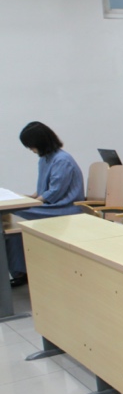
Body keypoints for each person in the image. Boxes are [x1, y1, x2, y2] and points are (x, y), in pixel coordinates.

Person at [5, 122, 85, 287]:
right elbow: (41, 191)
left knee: (15, 213)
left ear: (40, 142)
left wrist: (26, 203)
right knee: (12, 216)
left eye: (31, 146)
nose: (30, 150)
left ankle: (20, 270)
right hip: (52, 205)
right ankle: (19, 269)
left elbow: (53, 194)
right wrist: (25, 198)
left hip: (65, 209)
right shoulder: (45, 159)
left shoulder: (62, 160)